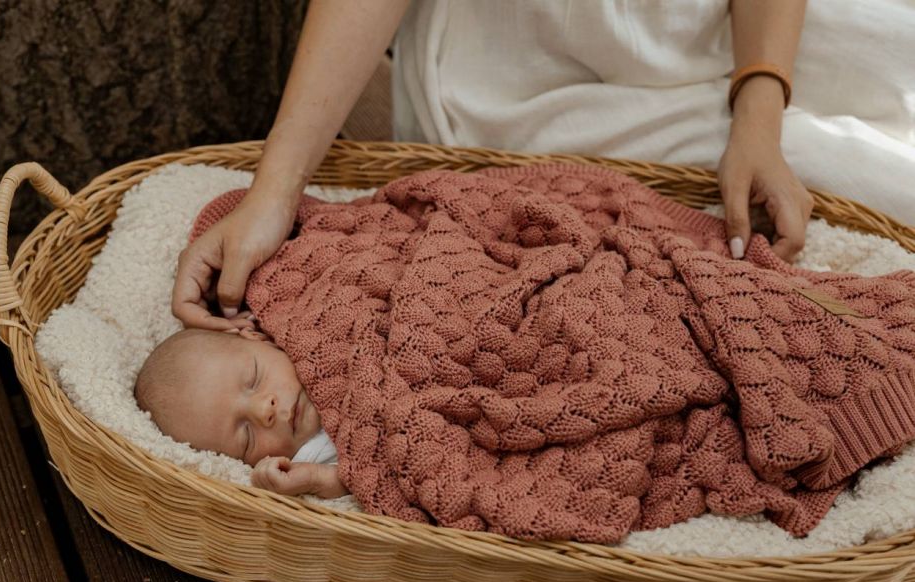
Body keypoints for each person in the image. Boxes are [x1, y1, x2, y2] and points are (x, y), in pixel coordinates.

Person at [172, 0, 914, 334]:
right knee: (871, 175)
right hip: (526, 69)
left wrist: (758, 111)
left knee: (889, 50)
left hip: (703, 20)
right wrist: (276, 191)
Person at [133, 326, 349, 498]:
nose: (263, 410)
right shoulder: (304, 463)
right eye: (247, 437)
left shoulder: (312, 333)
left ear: (259, 338)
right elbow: (370, 479)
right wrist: (318, 480)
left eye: (254, 378)